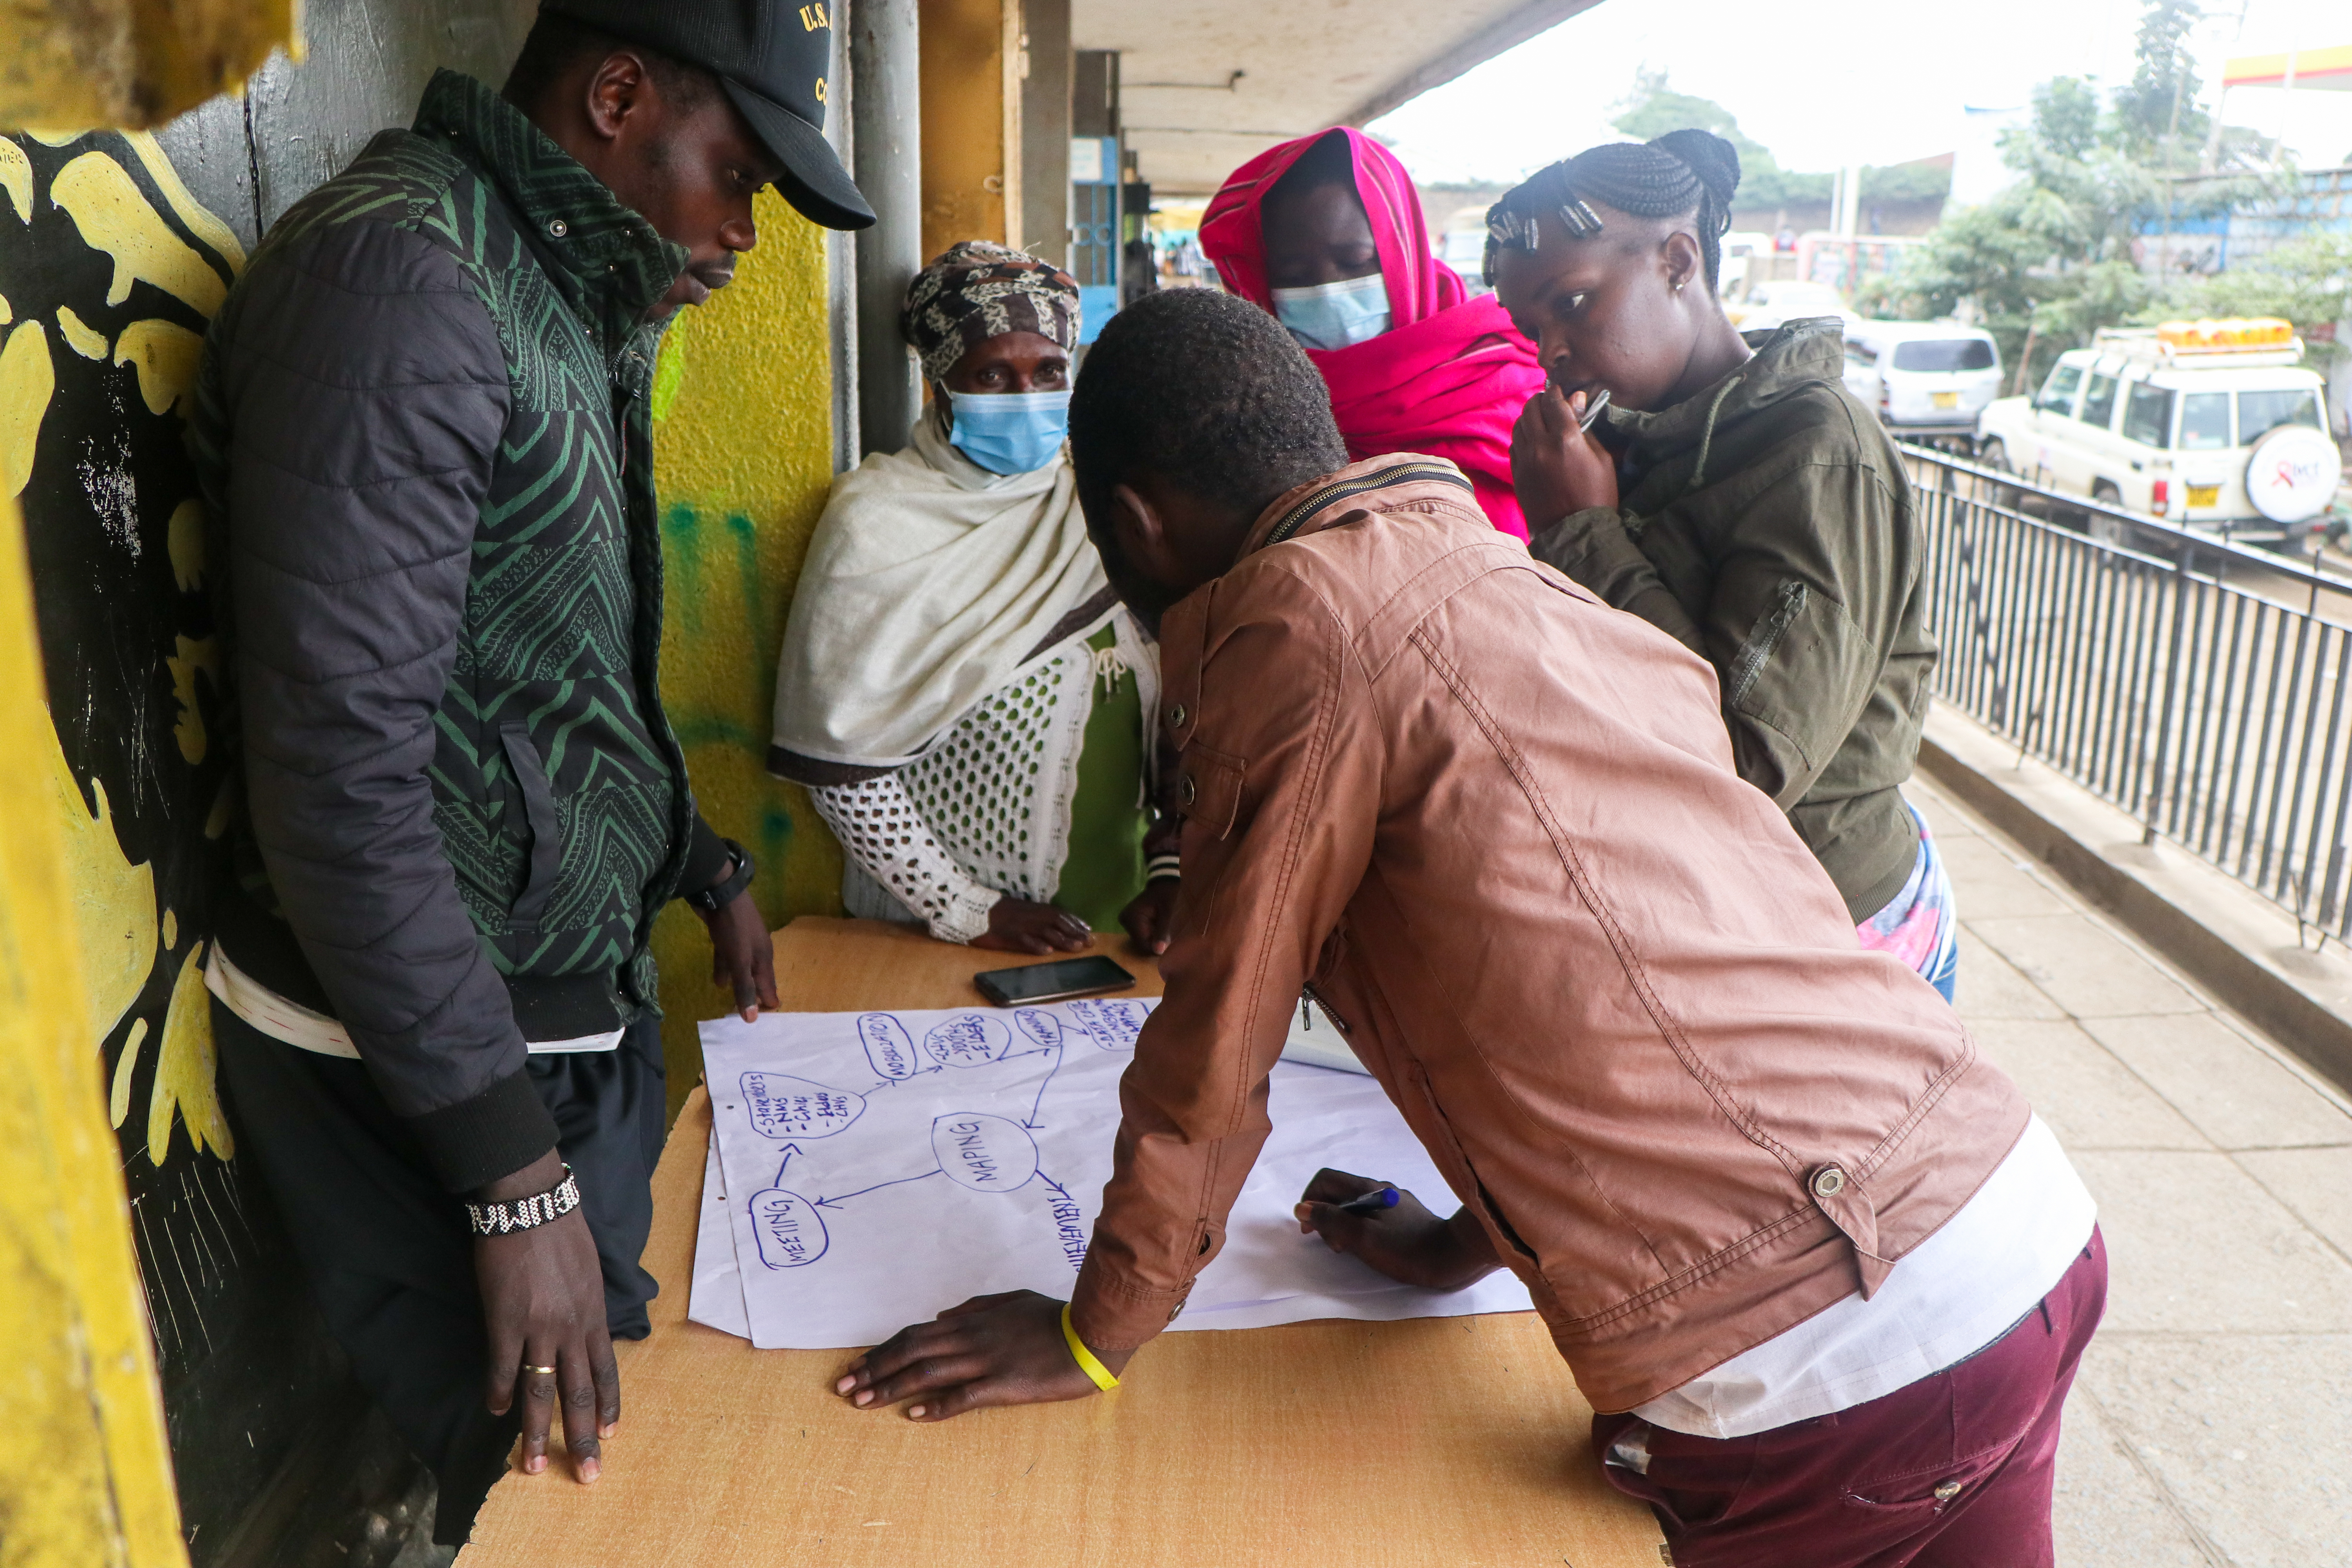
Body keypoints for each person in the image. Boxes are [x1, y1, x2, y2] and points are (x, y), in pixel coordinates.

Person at [827, 289, 2103, 1568]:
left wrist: (1092, 1338)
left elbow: (1217, 1043)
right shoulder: (1501, 570)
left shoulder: (1290, 634)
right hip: (2008, 1215)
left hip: (1830, 1355)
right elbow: (1597, 972)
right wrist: (1454, 1245)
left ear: (1138, 525)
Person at [188, 2, 871, 1543]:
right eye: (742, 174)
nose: (750, 230)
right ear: (619, 94)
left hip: (544, 1024)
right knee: (580, 1511)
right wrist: (512, 1185)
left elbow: (544, 675)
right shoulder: (404, 281)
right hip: (434, 1074)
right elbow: (342, 768)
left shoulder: (562, 283)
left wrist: (698, 859)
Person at [1500, 132, 1957, 999]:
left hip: (1826, 932)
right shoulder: (1633, 433)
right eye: (1532, 325)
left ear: (1679, 261)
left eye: (1572, 301)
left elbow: (1745, 764)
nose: (1550, 348)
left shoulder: (1817, 454)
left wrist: (1581, 530)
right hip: (1709, 902)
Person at [769, 242, 1180, 956]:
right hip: (935, 938)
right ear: (941, 385)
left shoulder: (1097, 506)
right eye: (993, 374)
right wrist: (966, 909)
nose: (1027, 398)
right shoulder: (879, 522)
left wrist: (1173, 869)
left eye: (1049, 371)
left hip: (1116, 920)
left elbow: (1185, 703)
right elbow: (840, 762)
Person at [1200, 127, 1545, 538]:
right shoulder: (1247, 405)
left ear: (1403, 252)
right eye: (1293, 276)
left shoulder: (1503, 367)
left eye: (1355, 262)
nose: (1328, 291)